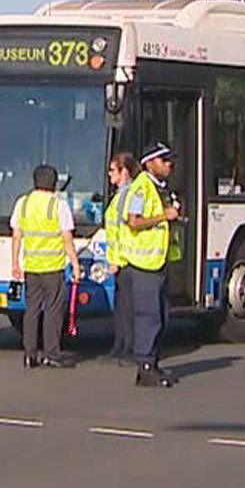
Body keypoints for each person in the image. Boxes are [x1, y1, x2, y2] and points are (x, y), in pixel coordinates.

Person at [10, 164, 82, 369]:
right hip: (53, 267)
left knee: (31, 310)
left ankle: (29, 354)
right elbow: (67, 238)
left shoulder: (23, 203)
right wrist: (75, 264)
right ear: (54, 183)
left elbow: (16, 235)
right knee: (53, 311)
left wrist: (15, 263)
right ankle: (51, 353)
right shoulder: (58, 205)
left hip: (31, 267)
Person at [125, 142, 181, 388]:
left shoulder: (161, 188)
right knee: (149, 317)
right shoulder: (141, 188)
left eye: (170, 160)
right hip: (144, 264)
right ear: (149, 163)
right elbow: (133, 221)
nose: (169, 165)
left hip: (159, 261)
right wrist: (163, 216)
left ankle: (153, 363)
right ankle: (145, 367)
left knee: (161, 316)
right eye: (164, 160)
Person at [104, 152, 139, 364]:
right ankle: (121, 344)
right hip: (121, 259)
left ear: (124, 171)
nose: (109, 174)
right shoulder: (120, 195)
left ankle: (129, 347)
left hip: (126, 260)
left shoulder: (128, 195)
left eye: (112, 170)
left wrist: (116, 260)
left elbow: (121, 230)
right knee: (121, 306)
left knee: (127, 307)